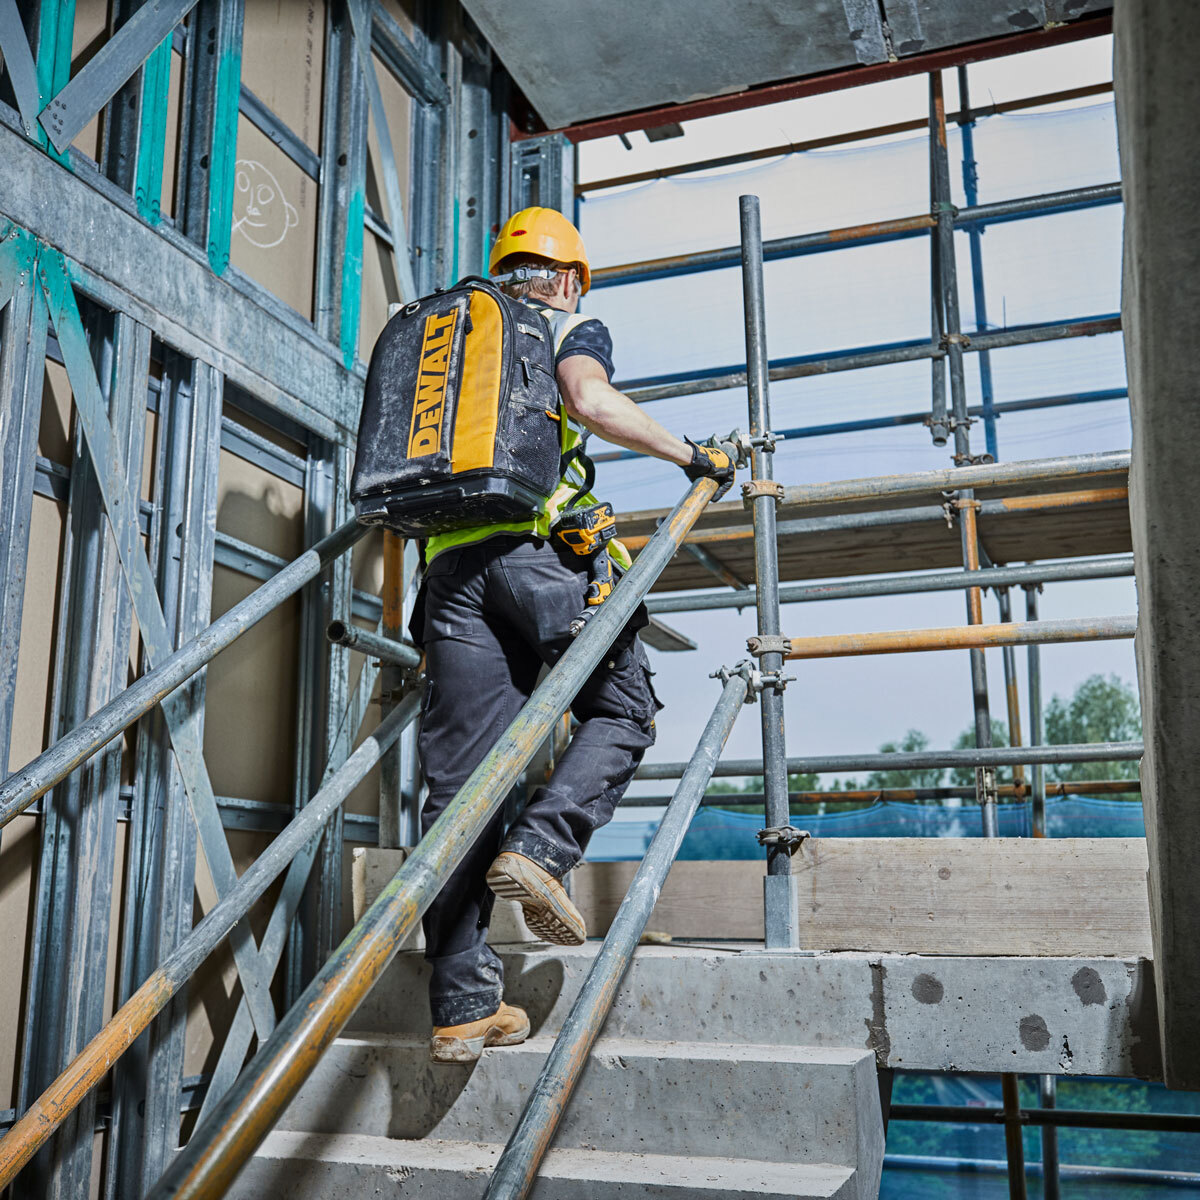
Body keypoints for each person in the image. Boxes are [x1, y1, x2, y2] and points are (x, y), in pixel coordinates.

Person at [416, 206, 736, 1063]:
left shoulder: (449, 335)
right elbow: (589, 400)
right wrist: (691, 456)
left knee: (459, 789)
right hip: (539, 558)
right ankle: (542, 849)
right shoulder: (558, 320)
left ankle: (461, 1008)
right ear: (568, 276)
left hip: (446, 576)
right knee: (625, 710)